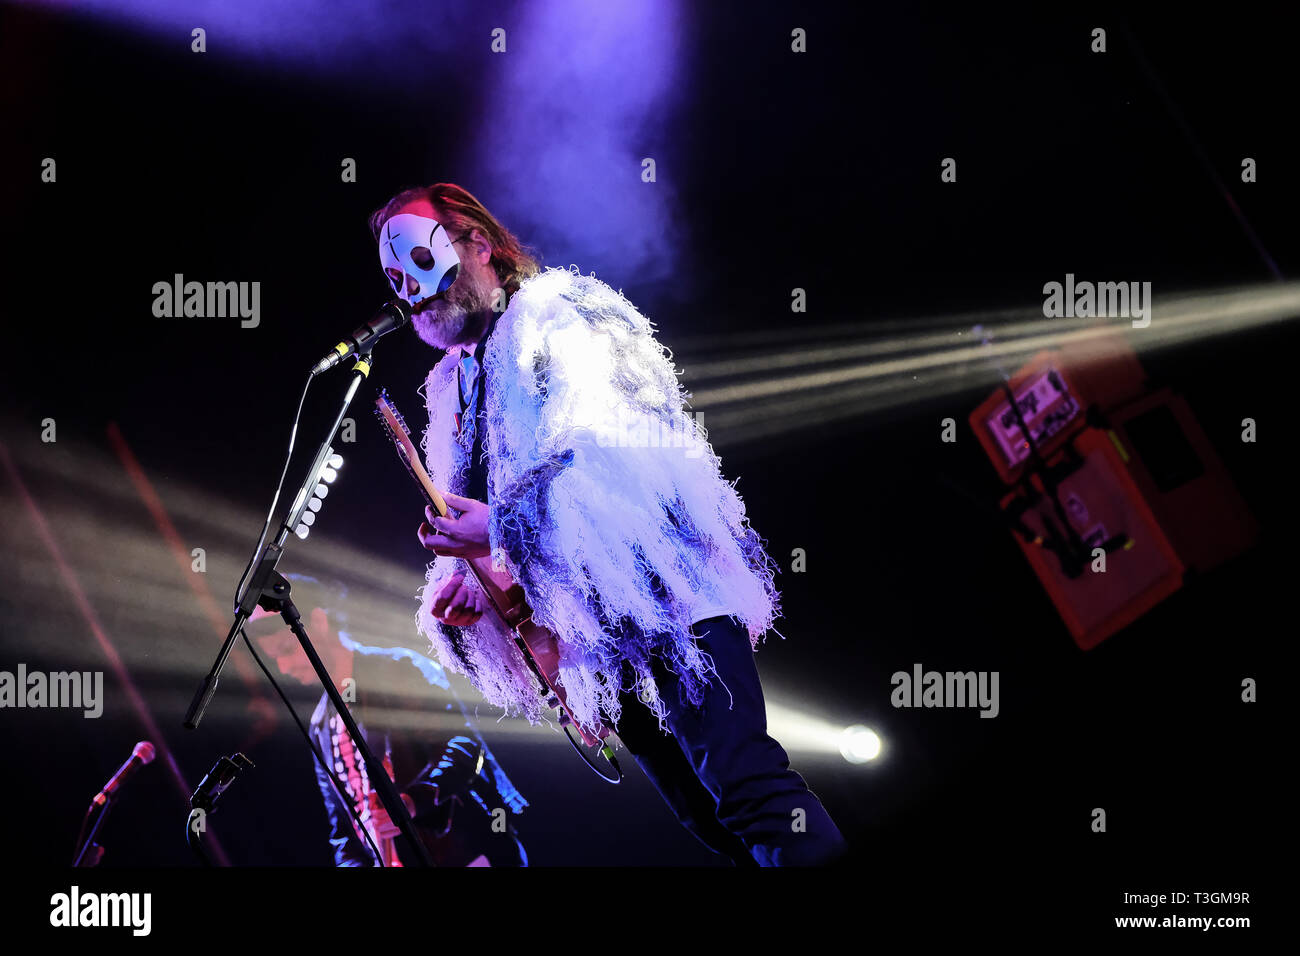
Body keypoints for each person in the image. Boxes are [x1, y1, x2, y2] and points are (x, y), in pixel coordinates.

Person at [373, 183, 846, 866]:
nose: (415, 292)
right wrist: (468, 584)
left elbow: (609, 449)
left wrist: (502, 526)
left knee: (750, 793)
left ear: (478, 242)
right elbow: (492, 519)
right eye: (395, 280)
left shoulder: (561, 312)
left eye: (423, 260)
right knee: (712, 823)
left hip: (666, 596)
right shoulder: (451, 386)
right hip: (596, 640)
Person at [247, 574, 527, 866]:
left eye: (286, 651)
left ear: (318, 622)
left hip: (461, 852)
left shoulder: (397, 670)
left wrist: (410, 802)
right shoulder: (319, 726)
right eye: (274, 659)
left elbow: (462, 746)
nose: (283, 667)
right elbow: (344, 831)